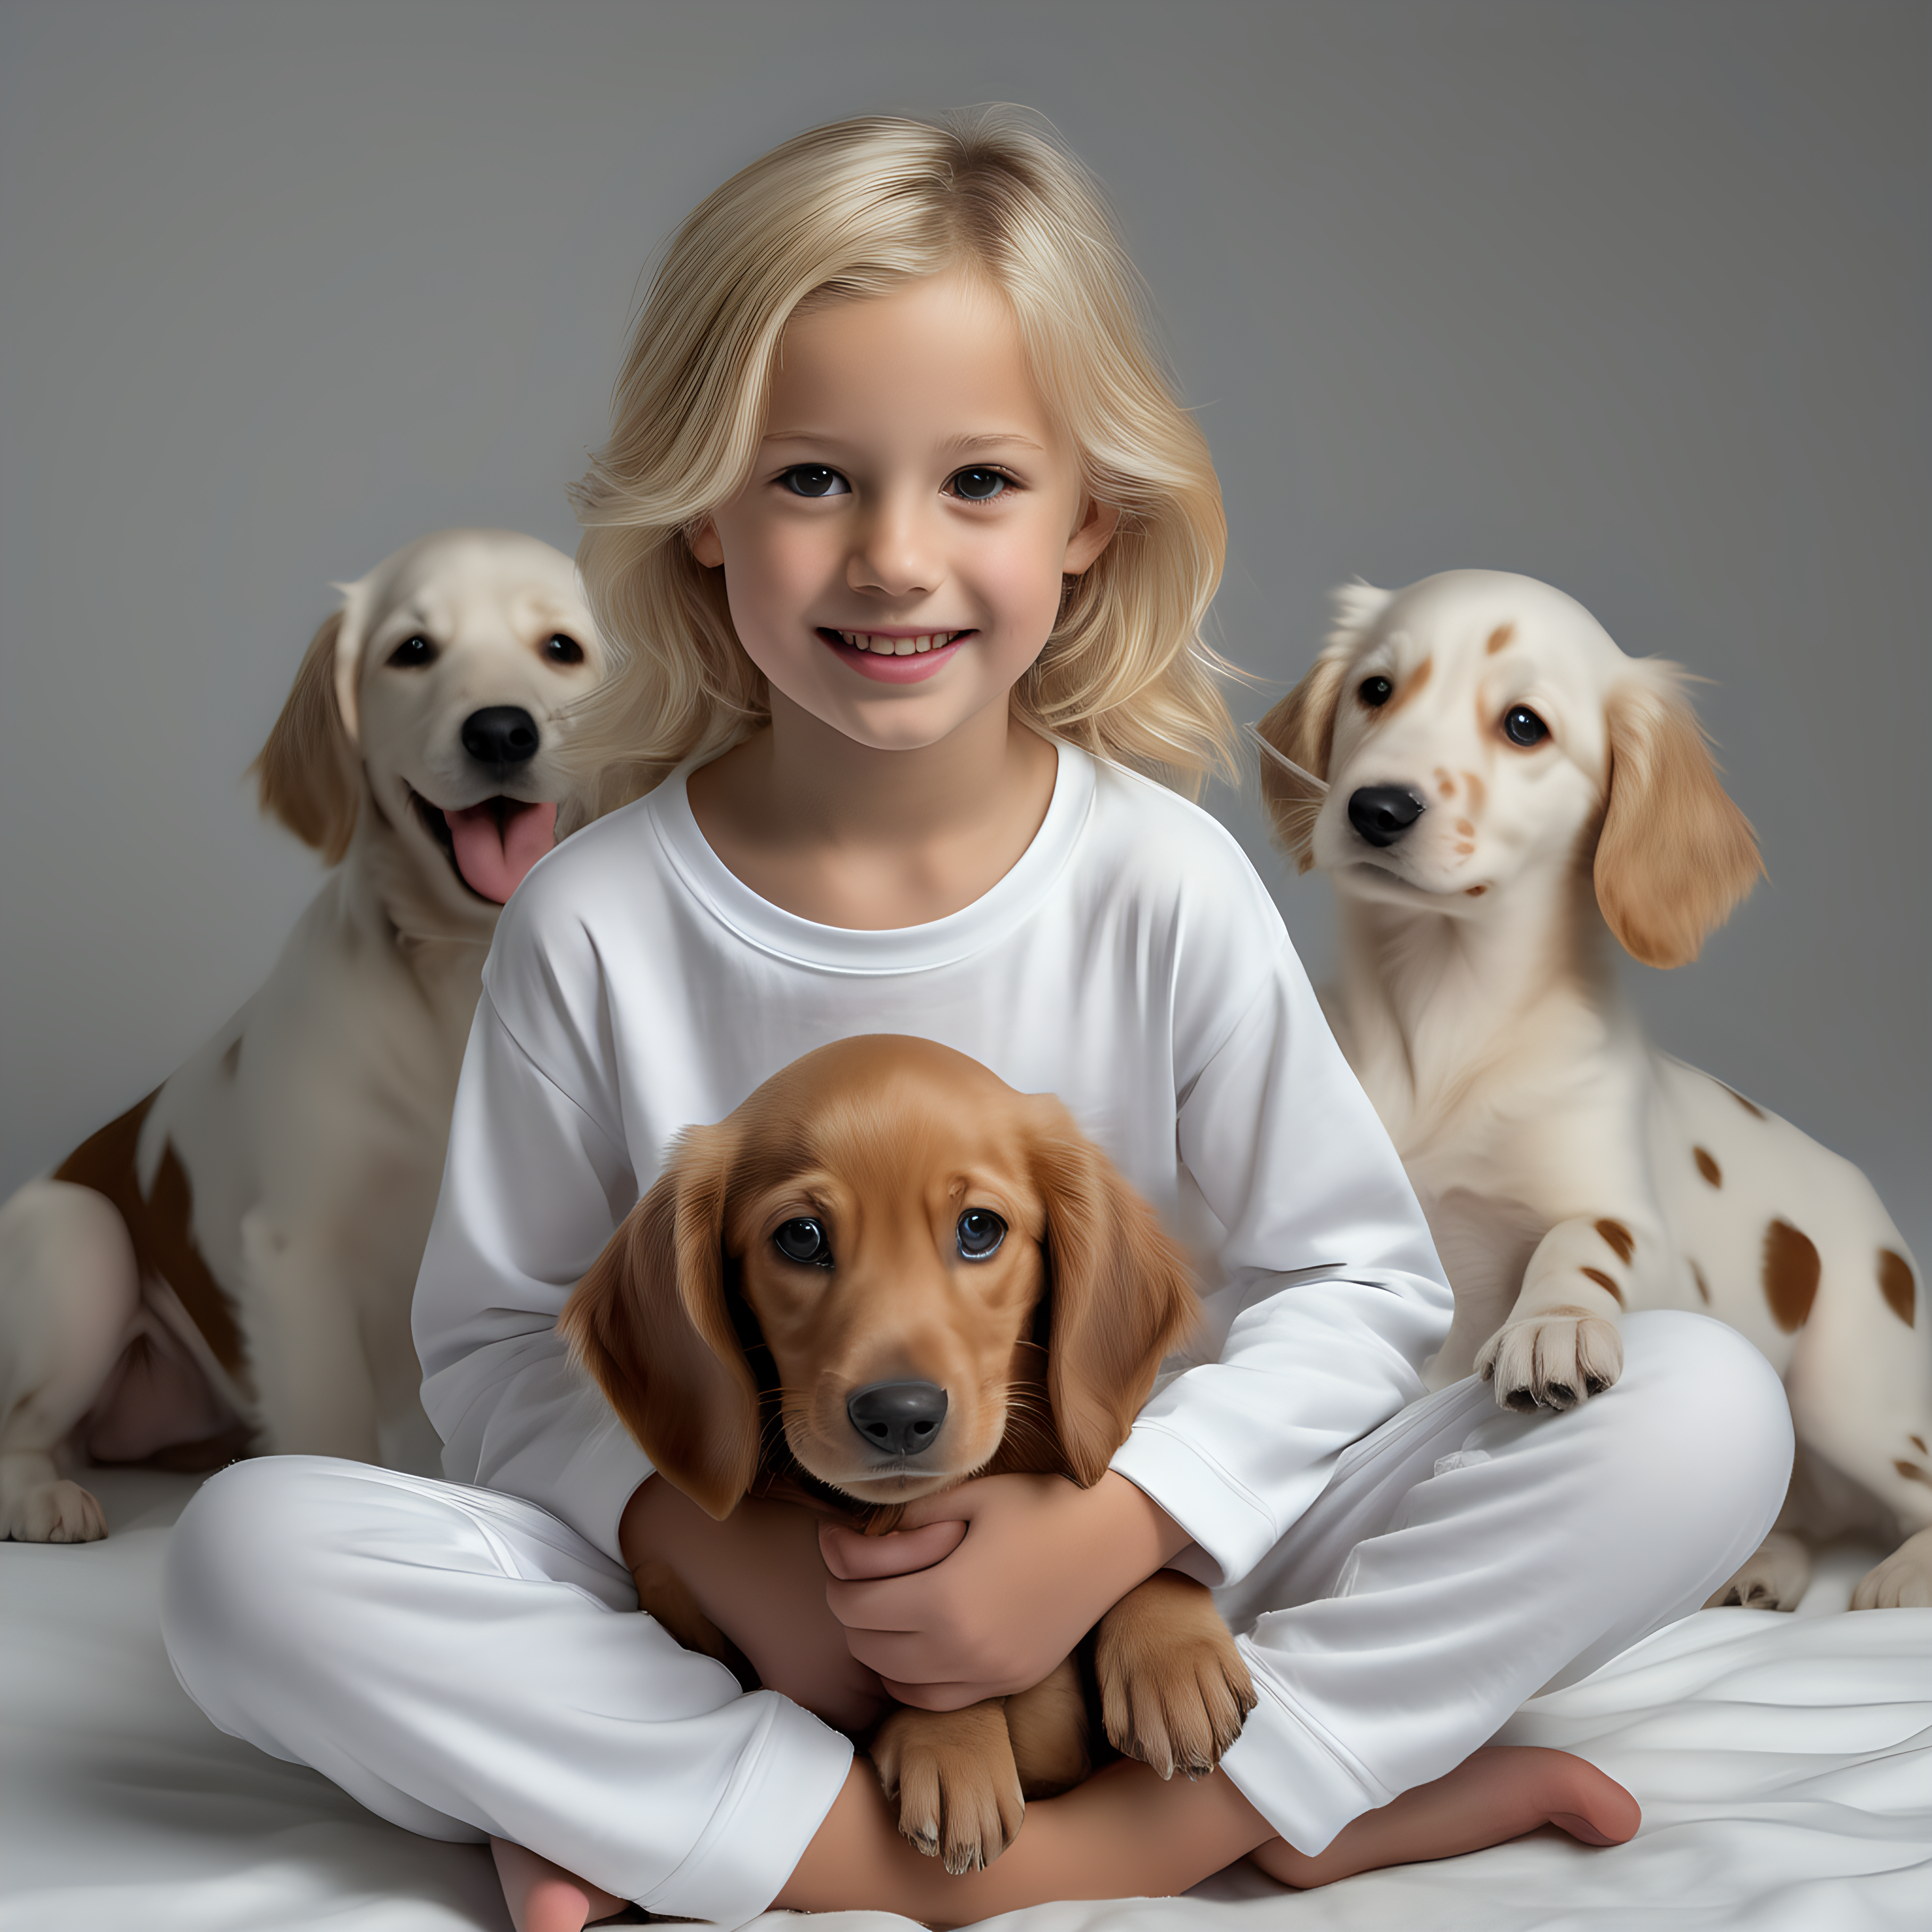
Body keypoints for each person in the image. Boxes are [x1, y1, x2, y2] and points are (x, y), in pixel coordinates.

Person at [162, 111, 1792, 1932]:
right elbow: (492, 1355)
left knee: (1701, 1407)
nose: (892, 560)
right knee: (249, 1565)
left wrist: (1109, 1539)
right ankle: (1214, 1820)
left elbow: (1363, 1290)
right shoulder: (597, 914)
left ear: (1092, 513)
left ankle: (803, 1826)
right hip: (732, 1599)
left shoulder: (1160, 879)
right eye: (811, 481)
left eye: (979, 483)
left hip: (1150, 1579)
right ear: (703, 508)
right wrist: (753, 1568)